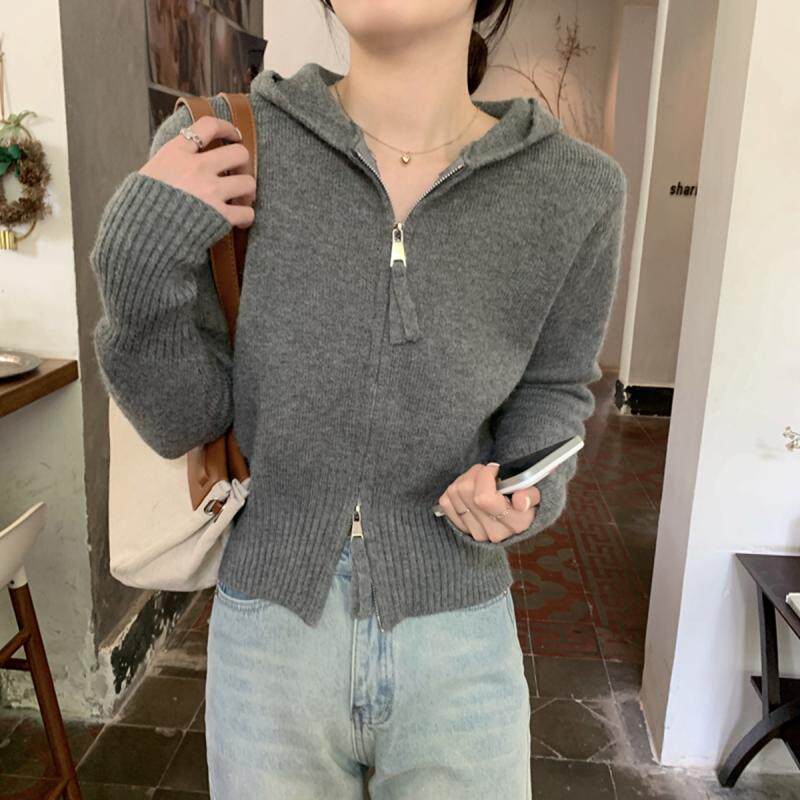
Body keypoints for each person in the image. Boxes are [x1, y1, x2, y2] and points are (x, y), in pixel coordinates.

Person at [89, 1, 626, 797]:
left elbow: (553, 388)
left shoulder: (575, 190)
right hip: (270, 634)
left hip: (459, 634)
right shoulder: (221, 144)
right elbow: (184, 421)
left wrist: (525, 485)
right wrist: (132, 261)